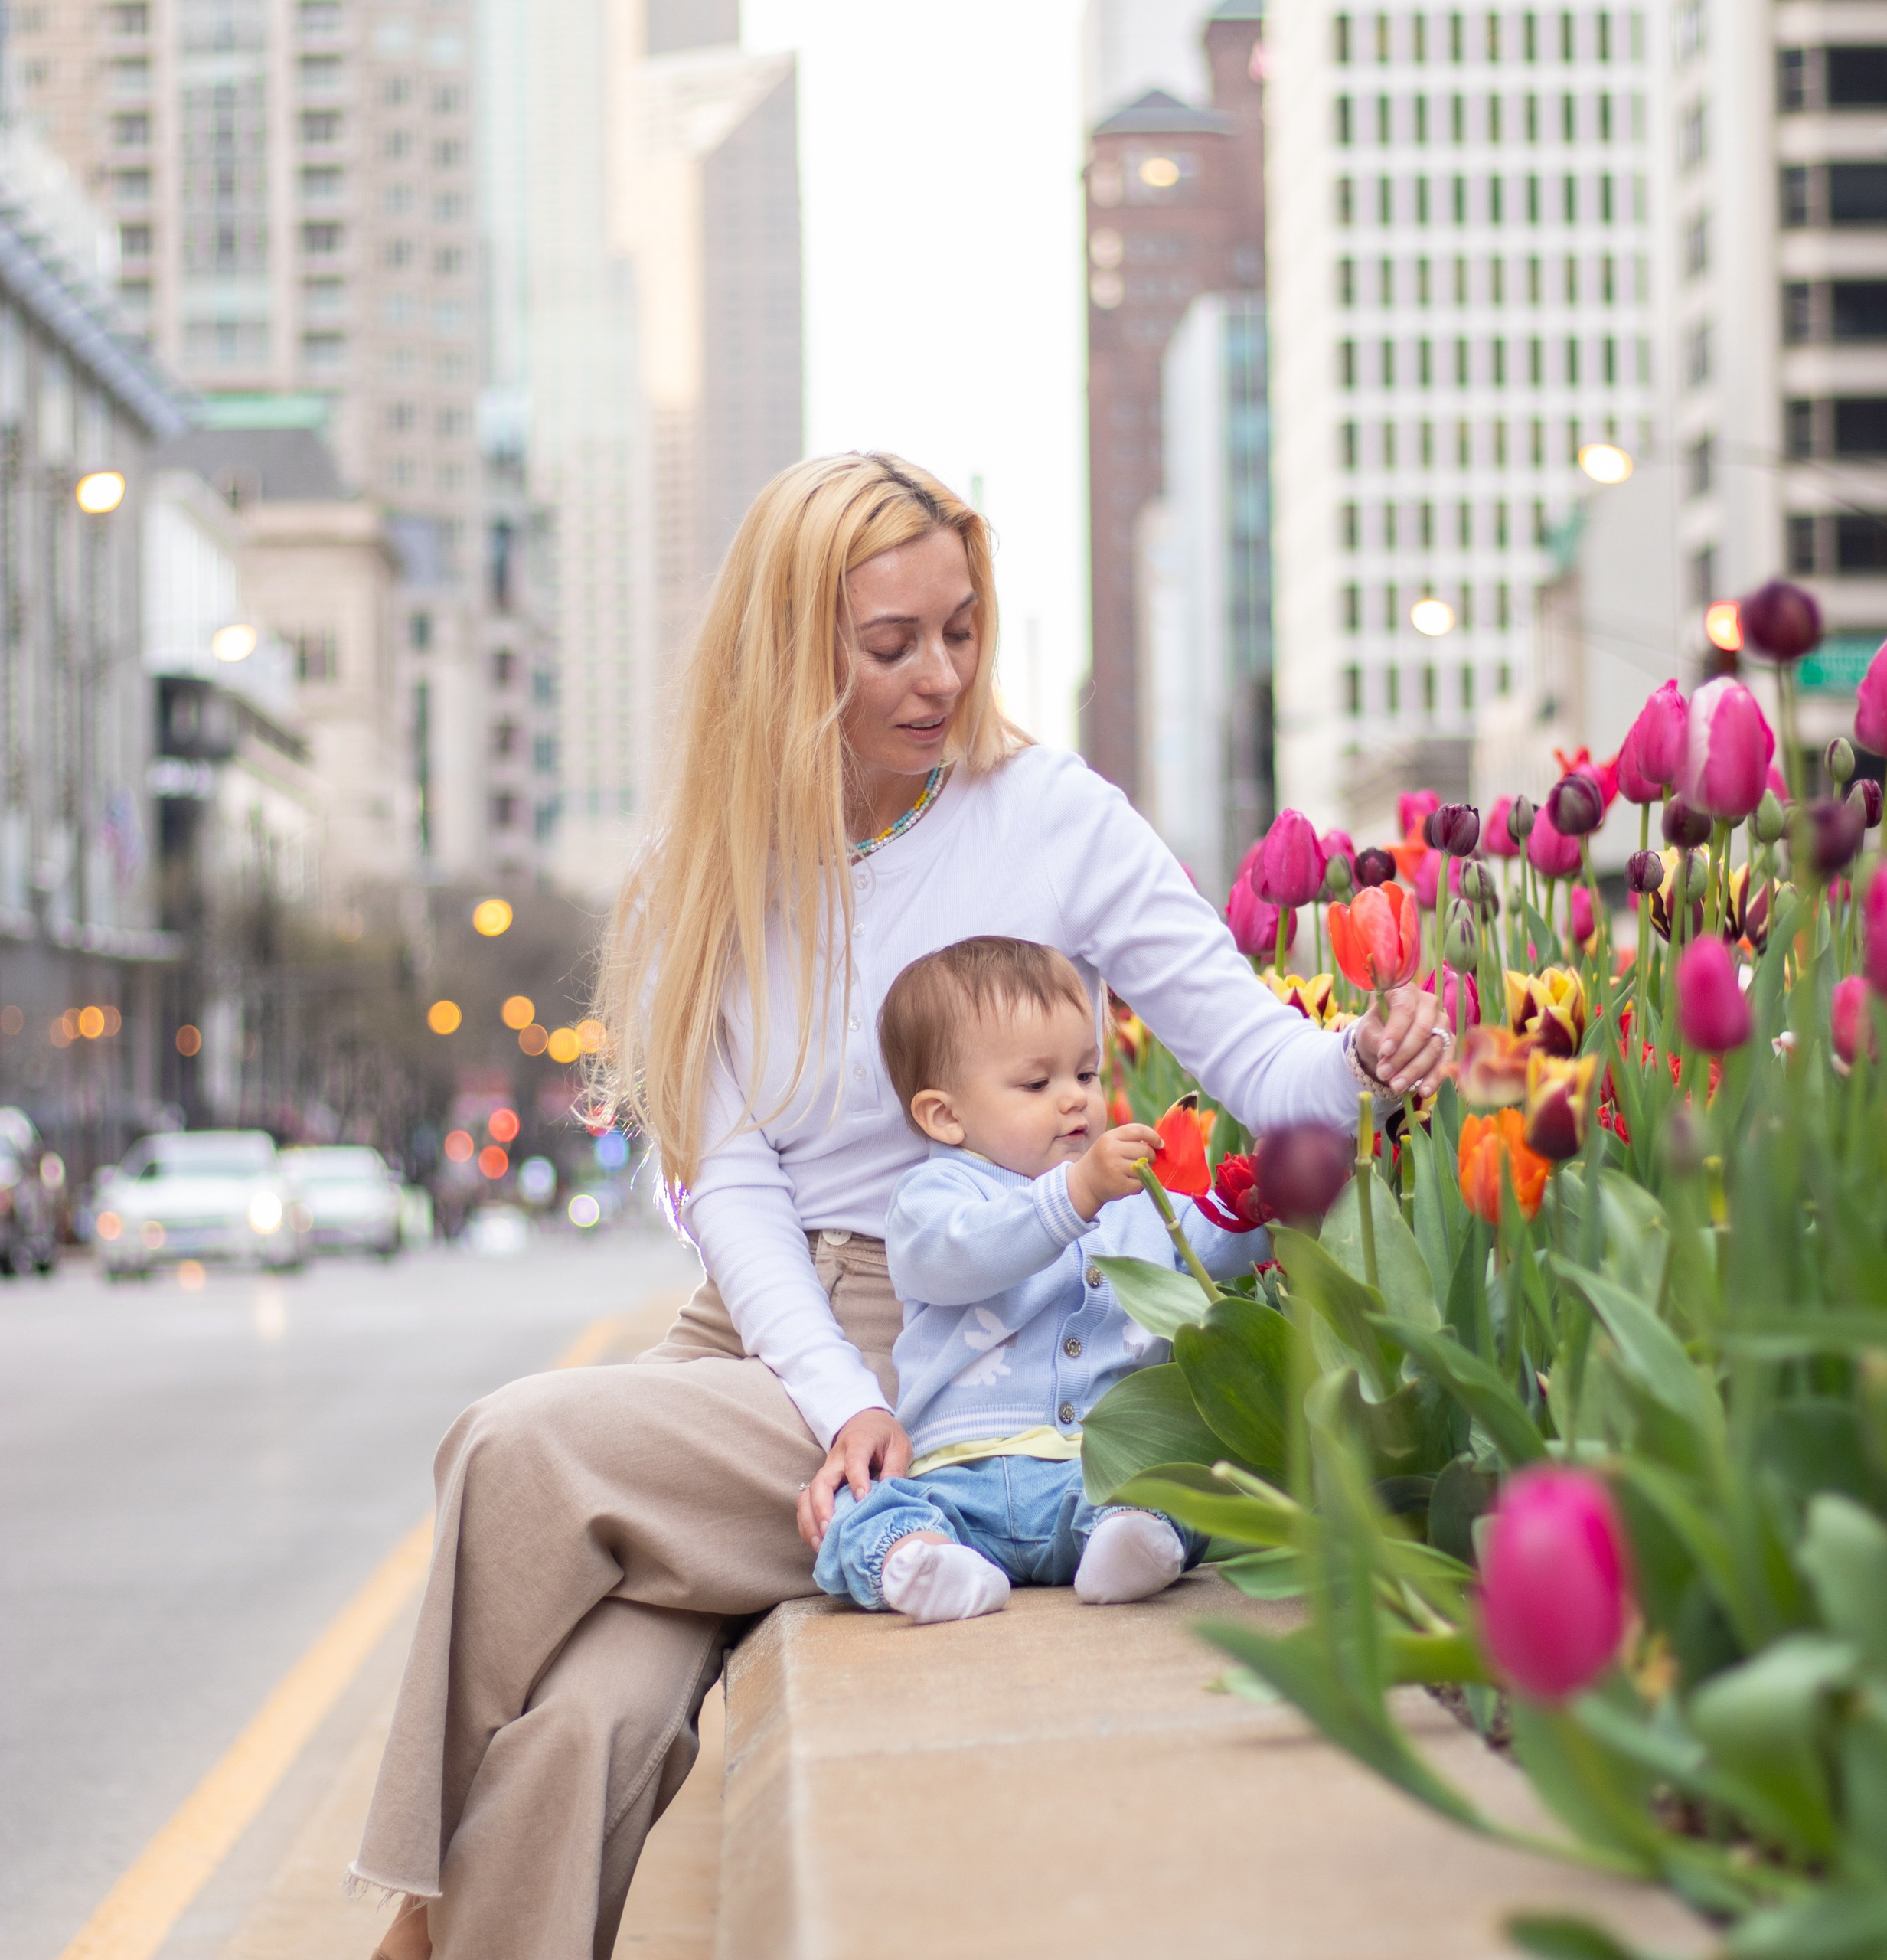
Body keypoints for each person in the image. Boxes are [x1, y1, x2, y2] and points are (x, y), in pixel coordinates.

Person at [357, 452, 1450, 1960]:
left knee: (512, 1440)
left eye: (957, 628)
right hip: (762, 1339)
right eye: (889, 644)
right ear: (792, 651)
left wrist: (1364, 1066)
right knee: (584, 1723)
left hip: (947, 1335)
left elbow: (1253, 1050)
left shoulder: (1049, 816)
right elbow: (725, 1176)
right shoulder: (708, 863)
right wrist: (819, 1404)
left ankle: (406, 1920)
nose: (936, 674)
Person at [812, 936, 1268, 1624]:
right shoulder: (932, 1196)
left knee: (1184, 1486)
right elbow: (956, 1256)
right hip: (956, 1476)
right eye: (1037, 1083)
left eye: (1085, 1075)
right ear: (945, 1116)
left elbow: (1205, 1245)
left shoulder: (1129, 1195)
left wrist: (1274, 1198)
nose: (1074, 1101)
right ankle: (928, 1561)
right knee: (862, 1506)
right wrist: (1075, 1195)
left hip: (1097, 1472)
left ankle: (1127, 1545)